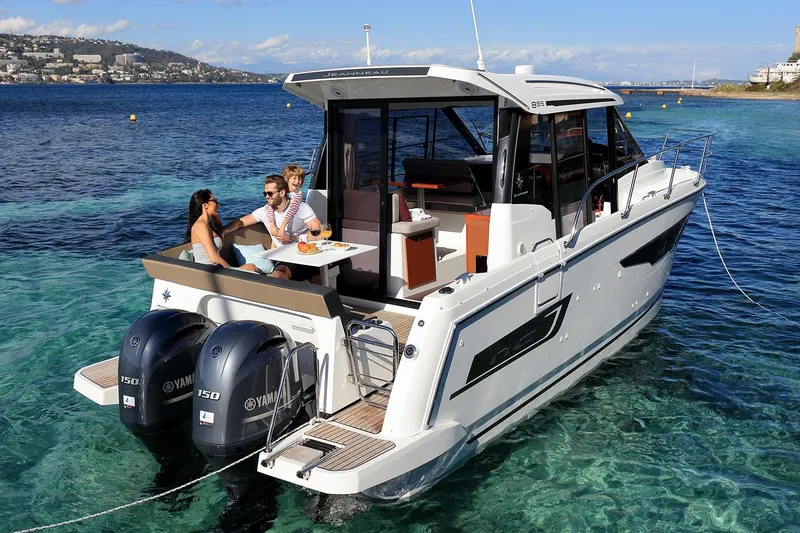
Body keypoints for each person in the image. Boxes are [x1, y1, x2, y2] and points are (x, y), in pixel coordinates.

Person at [224, 175, 323, 281]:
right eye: (265, 193)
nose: (267, 196)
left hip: (307, 253)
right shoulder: (264, 212)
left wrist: (292, 238)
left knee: (317, 278)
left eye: (270, 193)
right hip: (285, 257)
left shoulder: (302, 208)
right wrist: (223, 230)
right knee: (279, 274)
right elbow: (240, 223)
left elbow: (319, 234)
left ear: (282, 193)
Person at [185, 189, 259, 272]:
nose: (218, 205)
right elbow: (214, 258)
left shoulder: (206, 225)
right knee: (252, 268)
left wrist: (214, 215)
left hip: (215, 269)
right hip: (209, 272)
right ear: (205, 205)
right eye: (215, 201)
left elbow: (221, 230)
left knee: (252, 267)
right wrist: (233, 271)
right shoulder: (201, 226)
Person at [266, 164, 305, 241]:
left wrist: (282, 227)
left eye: (300, 179)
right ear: (286, 179)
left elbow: (292, 210)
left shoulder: (297, 195)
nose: (297, 181)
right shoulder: (282, 190)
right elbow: (269, 206)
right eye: (294, 178)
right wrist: (272, 224)